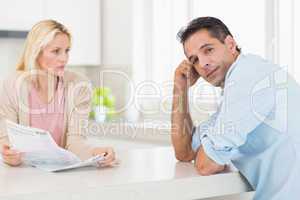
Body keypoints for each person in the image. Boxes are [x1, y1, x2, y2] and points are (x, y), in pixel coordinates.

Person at [171, 16, 300, 199]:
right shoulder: (234, 89)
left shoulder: (249, 79)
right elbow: (184, 152)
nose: (203, 64)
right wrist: (180, 87)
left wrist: (209, 151)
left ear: (230, 44)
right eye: (195, 60)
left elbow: (206, 165)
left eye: (208, 50)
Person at [0, 20, 116, 167]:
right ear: (36, 52)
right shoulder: (12, 84)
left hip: (59, 173)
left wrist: (95, 153)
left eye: (67, 50)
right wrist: (9, 154)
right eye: (56, 51)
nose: (64, 58)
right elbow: (6, 139)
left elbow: (75, 143)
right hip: (22, 173)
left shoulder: (79, 87)